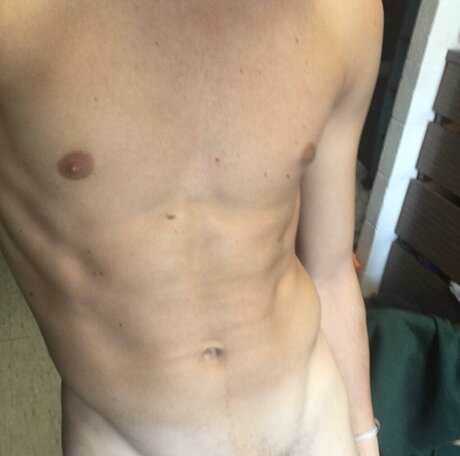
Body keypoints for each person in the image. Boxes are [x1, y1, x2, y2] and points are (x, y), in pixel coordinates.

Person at [0, 1, 383, 455]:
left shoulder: (343, 14)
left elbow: (331, 273)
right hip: (126, 440)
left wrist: (364, 438)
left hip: (313, 418)